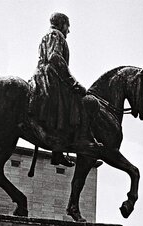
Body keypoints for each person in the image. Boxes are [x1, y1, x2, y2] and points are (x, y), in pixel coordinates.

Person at [30, 12, 100, 167]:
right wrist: (73, 82)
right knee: (80, 100)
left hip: (47, 74)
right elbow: (55, 57)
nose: (69, 31)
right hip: (51, 76)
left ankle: (58, 151)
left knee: (64, 107)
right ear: (62, 24)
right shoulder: (55, 35)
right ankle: (81, 138)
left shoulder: (49, 36)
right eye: (68, 26)